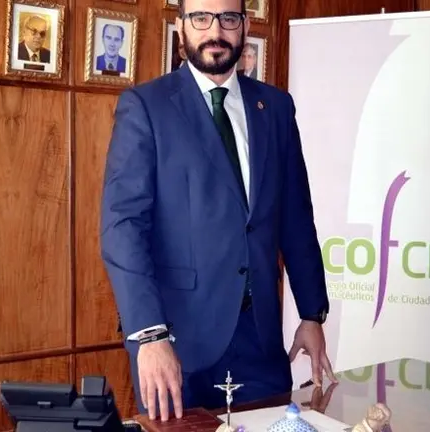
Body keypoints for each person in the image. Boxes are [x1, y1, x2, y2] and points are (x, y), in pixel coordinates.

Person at [100, 0, 336, 423]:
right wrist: (149, 335)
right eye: (201, 18)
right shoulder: (146, 107)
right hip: (176, 342)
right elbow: (123, 228)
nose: (215, 31)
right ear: (181, 27)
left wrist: (311, 313)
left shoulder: (276, 108)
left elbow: (296, 218)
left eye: (228, 18)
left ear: (243, 26)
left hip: (260, 341)